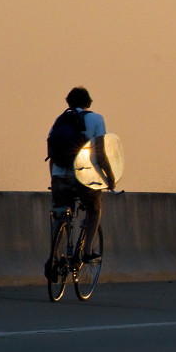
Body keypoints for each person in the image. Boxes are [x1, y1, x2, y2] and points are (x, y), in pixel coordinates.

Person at [47, 86, 114, 265]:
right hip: (82, 178)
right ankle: (86, 251)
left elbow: (52, 155)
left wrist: (54, 179)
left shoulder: (59, 120)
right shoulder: (96, 119)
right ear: (88, 102)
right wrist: (110, 177)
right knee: (94, 208)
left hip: (59, 176)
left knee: (60, 214)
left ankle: (53, 257)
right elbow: (100, 154)